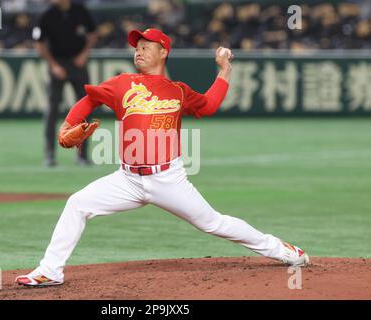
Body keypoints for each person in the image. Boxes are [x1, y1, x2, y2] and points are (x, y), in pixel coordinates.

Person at [16, 28, 309, 286]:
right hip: (127, 179)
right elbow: (90, 99)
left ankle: (282, 250)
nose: (139, 50)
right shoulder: (122, 84)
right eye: (136, 47)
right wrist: (68, 124)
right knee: (77, 203)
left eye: (146, 46)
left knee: (214, 223)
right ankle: (50, 271)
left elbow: (208, 106)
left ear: (163, 51)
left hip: (168, 178)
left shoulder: (177, 91)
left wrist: (224, 70)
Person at [33, 0, 97, 167]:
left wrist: (84, 54)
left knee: (84, 108)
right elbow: (39, 44)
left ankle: (82, 155)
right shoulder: (47, 15)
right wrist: (53, 65)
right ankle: (50, 154)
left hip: (78, 63)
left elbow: (93, 34)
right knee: (52, 110)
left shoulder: (80, 11)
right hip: (58, 64)